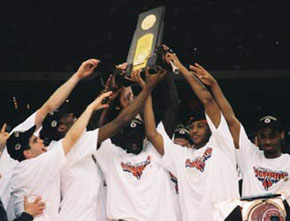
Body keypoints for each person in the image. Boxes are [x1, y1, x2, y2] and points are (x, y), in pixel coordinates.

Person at [143, 52, 239, 220]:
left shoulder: (221, 143)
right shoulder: (181, 156)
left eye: (200, 126)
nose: (194, 130)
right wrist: (147, 89)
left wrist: (180, 68)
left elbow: (208, 101)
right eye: (191, 127)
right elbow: (151, 133)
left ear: (210, 127)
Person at [0, 58, 101, 220]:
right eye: (34, 140)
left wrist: (78, 76)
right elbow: (71, 138)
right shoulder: (31, 160)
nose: (37, 140)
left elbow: (47, 108)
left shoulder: (19, 141)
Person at [189, 63, 290, 198]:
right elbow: (231, 121)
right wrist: (214, 85)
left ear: (281, 135)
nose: (267, 140)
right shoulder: (249, 155)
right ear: (257, 137)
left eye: (272, 136)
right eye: (263, 136)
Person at [95, 67, 181, 221]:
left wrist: (166, 74)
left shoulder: (155, 150)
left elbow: (172, 109)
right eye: (129, 135)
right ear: (120, 134)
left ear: (145, 136)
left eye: (137, 135)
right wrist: (111, 93)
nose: (133, 140)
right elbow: (97, 132)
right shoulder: (111, 155)